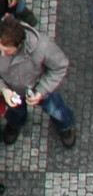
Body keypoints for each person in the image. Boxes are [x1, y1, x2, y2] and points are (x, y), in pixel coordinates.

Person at [0, 17, 75, 149]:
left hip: (37, 86)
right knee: (15, 111)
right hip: (9, 89)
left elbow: (60, 67)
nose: (3, 54)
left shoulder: (43, 47)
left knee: (55, 109)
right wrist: (3, 90)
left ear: (19, 45)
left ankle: (65, 126)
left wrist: (41, 90)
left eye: (7, 51)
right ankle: (15, 123)